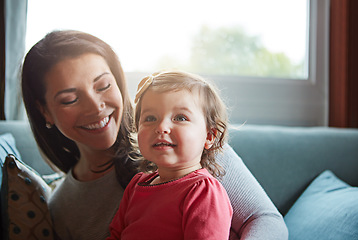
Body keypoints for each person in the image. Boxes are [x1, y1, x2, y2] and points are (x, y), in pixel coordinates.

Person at [21, 30, 288, 240]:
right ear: (44, 111)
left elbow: (265, 221)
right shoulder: (63, 208)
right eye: (70, 99)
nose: (96, 106)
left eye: (103, 85)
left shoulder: (186, 144)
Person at [107, 71, 233, 239]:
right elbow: (116, 235)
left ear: (209, 136)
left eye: (180, 118)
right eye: (150, 118)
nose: (161, 127)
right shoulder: (137, 183)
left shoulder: (203, 191)